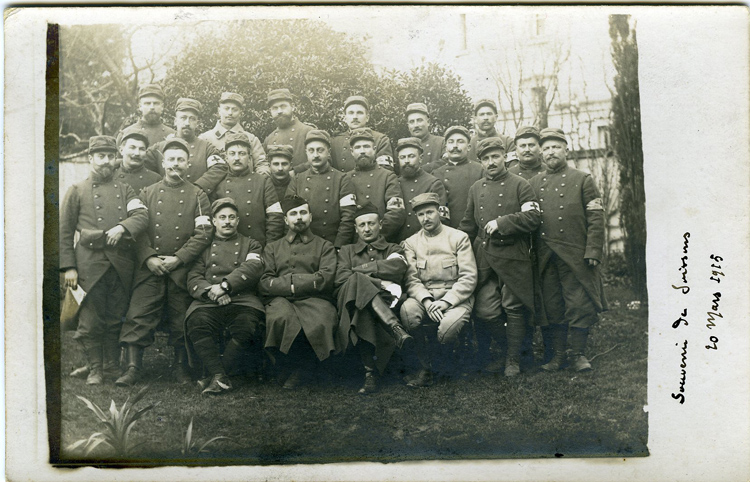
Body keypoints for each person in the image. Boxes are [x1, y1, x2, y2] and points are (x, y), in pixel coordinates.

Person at [116, 137, 213, 387]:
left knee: (181, 317)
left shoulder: (199, 195)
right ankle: (133, 367)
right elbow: (138, 230)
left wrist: (178, 259)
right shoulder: (147, 193)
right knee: (138, 313)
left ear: (188, 164)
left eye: (181, 160)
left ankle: (180, 367)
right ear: (163, 162)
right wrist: (148, 257)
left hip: (181, 268)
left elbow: (203, 233)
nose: (175, 164)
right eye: (171, 159)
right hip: (151, 267)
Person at [60, 136, 149, 385]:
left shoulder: (125, 189)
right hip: (89, 264)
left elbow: (141, 215)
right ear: (91, 158)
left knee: (115, 318)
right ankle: (95, 369)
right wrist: (69, 267)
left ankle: (110, 367)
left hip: (120, 264)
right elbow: (64, 233)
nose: (106, 161)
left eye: (110, 156)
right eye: (101, 156)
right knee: (90, 320)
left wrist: (122, 227)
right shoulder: (76, 190)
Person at [459, 137, 541, 376]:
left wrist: (503, 222)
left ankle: (513, 361)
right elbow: (467, 224)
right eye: (486, 158)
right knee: (485, 309)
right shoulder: (476, 189)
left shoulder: (520, 184)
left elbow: (533, 218)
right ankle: (512, 350)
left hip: (514, 256)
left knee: (514, 306)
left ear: (505, 157)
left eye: (495, 156)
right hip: (485, 257)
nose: (491, 162)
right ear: (481, 162)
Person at [528, 127, 608, 372]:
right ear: (542, 153)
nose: (551, 152)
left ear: (566, 150)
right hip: (545, 255)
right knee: (553, 306)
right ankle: (558, 355)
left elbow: (596, 216)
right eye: (547, 148)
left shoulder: (583, 179)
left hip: (575, 254)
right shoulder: (533, 183)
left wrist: (593, 250)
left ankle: (578, 354)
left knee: (578, 304)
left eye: (556, 147)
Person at [185, 198, 266, 395]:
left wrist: (225, 286)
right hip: (209, 300)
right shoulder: (203, 247)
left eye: (231, 217)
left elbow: (253, 267)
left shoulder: (251, 244)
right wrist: (212, 292)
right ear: (214, 221)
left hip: (242, 298)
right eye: (222, 217)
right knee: (197, 322)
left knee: (246, 324)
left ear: (238, 221)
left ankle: (215, 376)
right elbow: (193, 277)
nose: (227, 221)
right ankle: (220, 376)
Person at [259, 195, 342, 389]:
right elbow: (265, 281)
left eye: (303, 213)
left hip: (316, 298)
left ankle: (300, 369)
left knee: (321, 318)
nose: (299, 218)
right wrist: (291, 287)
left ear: (311, 217)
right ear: (285, 220)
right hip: (280, 299)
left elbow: (326, 277)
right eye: (293, 214)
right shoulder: (272, 247)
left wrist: (292, 284)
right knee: (280, 317)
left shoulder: (325, 246)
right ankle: (296, 366)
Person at [400, 193, 478, 387]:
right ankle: (426, 368)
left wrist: (445, 302)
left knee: (447, 330)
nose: (426, 218)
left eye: (430, 212)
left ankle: (448, 364)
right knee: (408, 313)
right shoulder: (411, 243)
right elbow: (411, 279)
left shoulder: (459, 237)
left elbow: (468, 277)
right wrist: (427, 302)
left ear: (439, 212)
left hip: (456, 298)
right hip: (425, 297)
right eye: (420, 215)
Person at [334, 203, 412, 394]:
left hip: (381, 300)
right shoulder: (346, 251)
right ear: (356, 228)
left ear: (381, 225)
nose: (367, 229)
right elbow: (340, 278)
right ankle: (395, 327)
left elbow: (398, 267)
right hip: (348, 298)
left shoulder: (392, 248)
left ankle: (370, 374)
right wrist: (378, 282)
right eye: (362, 225)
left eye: (371, 223)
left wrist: (359, 272)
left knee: (363, 308)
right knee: (357, 288)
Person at [144, 97, 228, 198]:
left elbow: (219, 167)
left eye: (192, 119)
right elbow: (140, 163)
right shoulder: (159, 147)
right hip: (166, 199)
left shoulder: (206, 147)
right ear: (175, 121)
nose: (187, 123)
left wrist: (198, 187)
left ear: (197, 123)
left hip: (196, 200)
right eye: (183, 118)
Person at [287, 129, 356, 248]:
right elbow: (289, 215)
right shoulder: (298, 180)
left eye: (320, 150)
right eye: (311, 151)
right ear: (306, 153)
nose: (315, 155)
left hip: (331, 243)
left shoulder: (342, 179)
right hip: (303, 244)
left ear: (328, 152)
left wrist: (339, 246)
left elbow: (348, 217)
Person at [213, 132, 284, 247]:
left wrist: (270, 248)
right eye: (232, 154)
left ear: (250, 157)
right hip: (225, 248)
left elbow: (275, 218)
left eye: (242, 153)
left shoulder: (263, 182)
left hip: (257, 245)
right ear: (226, 157)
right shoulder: (218, 183)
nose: (237, 158)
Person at [343, 128, 405, 242]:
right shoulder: (345, 178)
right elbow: (344, 217)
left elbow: (396, 213)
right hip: (355, 245)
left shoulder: (388, 176)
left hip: (383, 242)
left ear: (374, 149)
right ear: (351, 151)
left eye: (366, 146)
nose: (362, 151)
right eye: (357, 147)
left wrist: (376, 236)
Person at [199, 92, 268, 174]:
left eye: (234, 109)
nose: (230, 113)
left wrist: (257, 182)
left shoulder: (251, 139)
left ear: (240, 113)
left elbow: (262, 164)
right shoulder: (205, 139)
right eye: (226, 108)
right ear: (219, 110)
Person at [395, 137, 448, 241]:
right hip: (399, 242)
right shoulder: (395, 183)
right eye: (402, 157)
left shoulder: (433, 183)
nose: (406, 161)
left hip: (427, 242)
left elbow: (442, 219)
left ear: (420, 158)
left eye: (411, 156)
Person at [432, 125, 484, 229]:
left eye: (460, 141)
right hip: (445, 230)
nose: (455, 146)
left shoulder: (480, 170)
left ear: (469, 147)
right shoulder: (436, 174)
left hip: (473, 229)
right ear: (446, 147)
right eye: (451, 142)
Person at [331, 96, 394, 172]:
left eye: (359, 113)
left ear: (367, 117)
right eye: (351, 113)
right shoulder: (335, 141)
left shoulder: (380, 139)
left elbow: (385, 173)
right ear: (345, 118)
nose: (355, 117)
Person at [263, 89, 314, 173]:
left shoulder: (308, 131)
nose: (279, 111)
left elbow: (320, 161)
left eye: (283, 106)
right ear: (270, 112)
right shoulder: (269, 139)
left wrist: (295, 171)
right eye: (275, 108)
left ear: (293, 107)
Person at [116, 83, 176, 148]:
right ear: (140, 106)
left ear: (162, 106)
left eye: (156, 103)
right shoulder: (125, 134)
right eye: (147, 103)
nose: (152, 107)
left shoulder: (172, 134)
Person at [467, 99, 516, 166]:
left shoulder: (508, 142)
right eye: (482, 114)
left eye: (489, 114)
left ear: (496, 117)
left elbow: (512, 169)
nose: (486, 118)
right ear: (475, 118)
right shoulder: (469, 144)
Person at [114, 124, 162, 193]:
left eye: (142, 149)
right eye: (132, 148)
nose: (137, 153)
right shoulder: (111, 176)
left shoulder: (155, 180)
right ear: (121, 150)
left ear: (146, 152)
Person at [405, 103, 445, 173]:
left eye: (419, 120)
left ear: (428, 122)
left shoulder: (441, 142)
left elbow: (446, 163)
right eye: (412, 122)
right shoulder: (403, 147)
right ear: (408, 126)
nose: (416, 125)